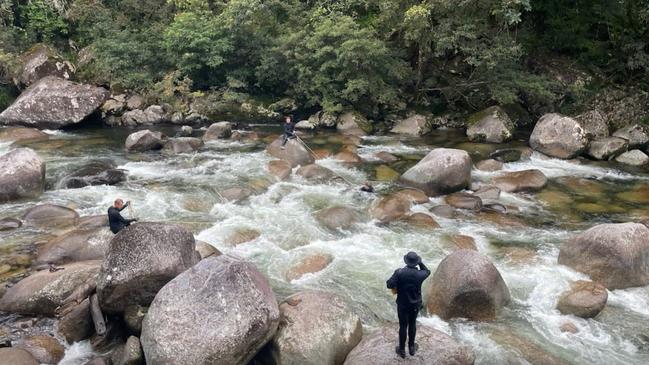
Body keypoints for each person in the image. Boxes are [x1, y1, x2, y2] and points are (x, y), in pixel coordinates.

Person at [386, 251, 431, 358]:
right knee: (412, 324)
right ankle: (411, 348)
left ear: (406, 261)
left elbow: (389, 284)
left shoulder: (399, 272)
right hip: (415, 305)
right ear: (416, 262)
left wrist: (396, 283)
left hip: (402, 304)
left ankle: (401, 350)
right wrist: (420, 263)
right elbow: (427, 271)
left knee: (403, 326)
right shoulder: (420, 274)